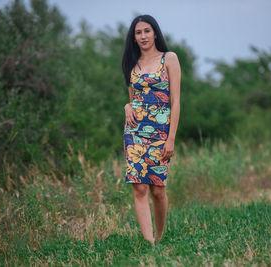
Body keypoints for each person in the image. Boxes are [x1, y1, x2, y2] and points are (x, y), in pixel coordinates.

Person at [121, 14, 181, 246]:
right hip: (134, 131)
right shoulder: (131, 64)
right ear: (134, 38)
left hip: (161, 132)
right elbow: (133, 99)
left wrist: (171, 138)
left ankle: (160, 235)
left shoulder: (169, 58)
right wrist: (127, 106)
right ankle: (149, 245)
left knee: (157, 188)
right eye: (138, 32)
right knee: (139, 187)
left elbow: (176, 101)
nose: (143, 36)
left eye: (147, 31)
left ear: (155, 32)